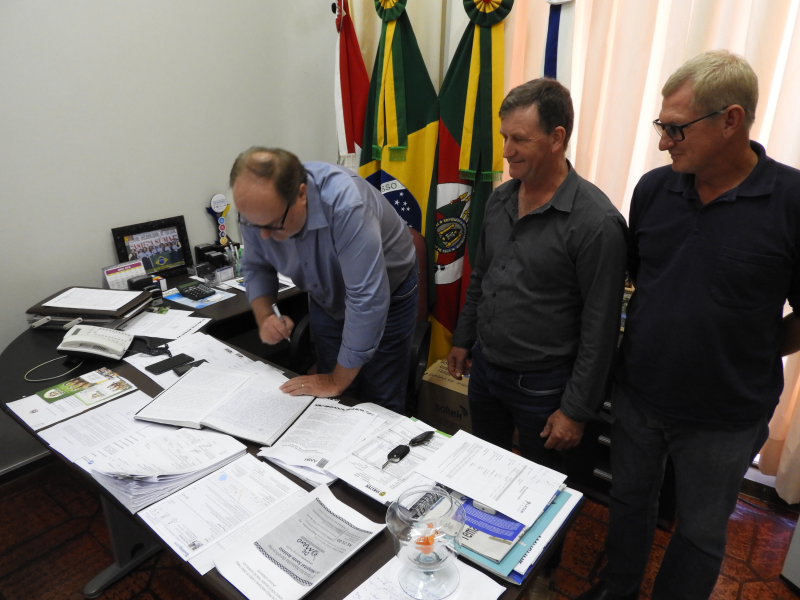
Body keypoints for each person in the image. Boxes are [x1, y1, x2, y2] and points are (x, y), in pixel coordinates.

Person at [579, 50, 800, 600]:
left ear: (731, 120)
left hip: (726, 417)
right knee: (628, 504)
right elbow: (642, 279)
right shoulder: (654, 190)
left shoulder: (791, 201)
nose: (663, 143)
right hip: (640, 396)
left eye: (676, 129)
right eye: (662, 126)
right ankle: (617, 591)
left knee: (700, 533)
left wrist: (757, 347)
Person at [446, 79, 628, 469]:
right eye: (504, 137)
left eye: (519, 139)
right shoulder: (501, 198)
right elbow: (482, 278)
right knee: (483, 472)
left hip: (544, 388)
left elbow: (600, 330)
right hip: (485, 370)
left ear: (556, 138)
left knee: (540, 489)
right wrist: (463, 339)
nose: (506, 151)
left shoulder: (597, 224)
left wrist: (575, 410)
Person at [231, 147, 418, 414]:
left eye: (272, 224)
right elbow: (256, 265)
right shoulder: (259, 209)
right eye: (252, 224)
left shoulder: (346, 205)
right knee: (335, 400)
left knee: (380, 397)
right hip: (326, 294)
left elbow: (366, 300)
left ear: (302, 194)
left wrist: (335, 381)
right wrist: (265, 315)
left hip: (389, 290)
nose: (262, 236)